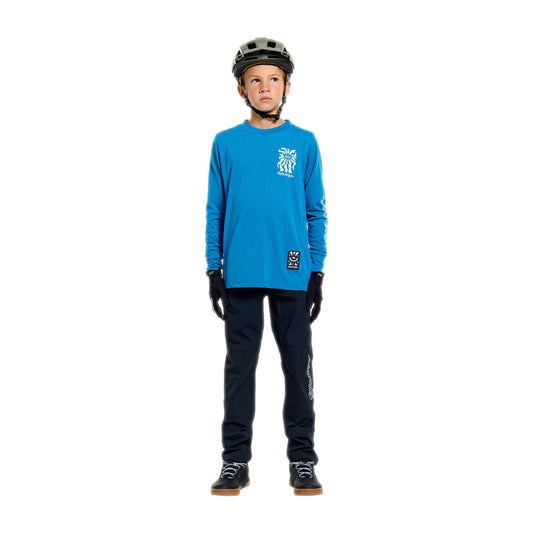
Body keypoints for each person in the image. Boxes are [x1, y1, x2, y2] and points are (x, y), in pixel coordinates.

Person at [205, 37, 327, 496]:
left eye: (274, 79)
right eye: (255, 80)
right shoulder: (225, 144)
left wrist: (317, 270)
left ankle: (303, 459)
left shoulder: (303, 143)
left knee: (298, 365)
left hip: (292, 269)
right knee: (240, 369)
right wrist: (213, 268)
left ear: (287, 86)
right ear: (241, 89)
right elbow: (215, 210)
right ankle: (235, 460)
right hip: (240, 271)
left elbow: (315, 210)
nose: (264, 87)